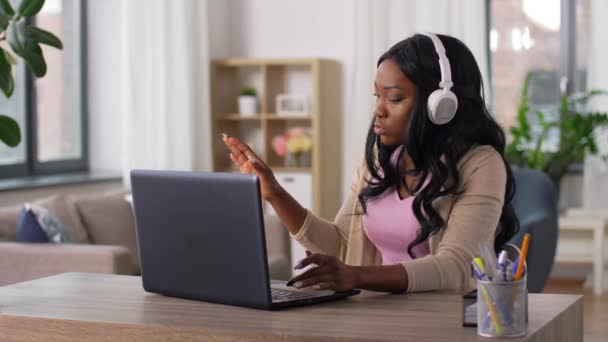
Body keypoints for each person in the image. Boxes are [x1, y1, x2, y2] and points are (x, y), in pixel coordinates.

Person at [222, 33, 518, 294]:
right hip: (375, 313)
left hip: (438, 322)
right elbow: (340, 245)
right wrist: (275, 193)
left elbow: (454, 267)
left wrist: (357, 276)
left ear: (440, 104)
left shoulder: (481, 164)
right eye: (377, 96)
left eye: (395, 98)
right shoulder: (380, 160)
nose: (378, 110)